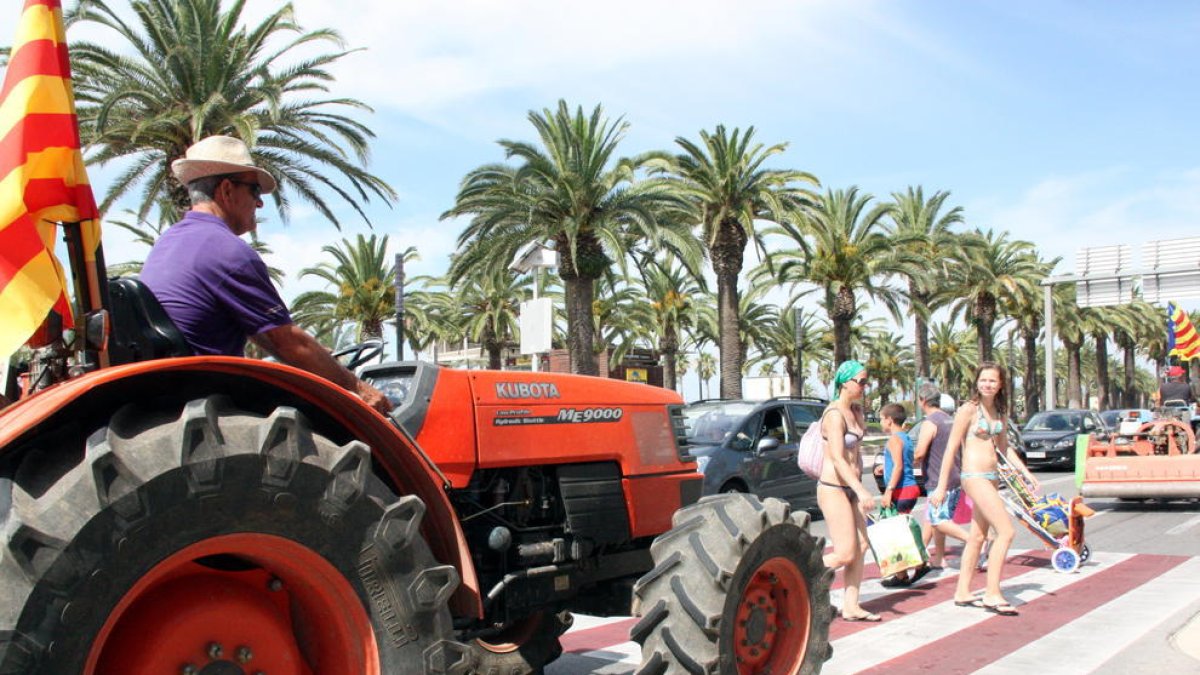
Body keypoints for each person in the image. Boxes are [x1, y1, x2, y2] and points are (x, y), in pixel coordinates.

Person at [141, 136, 392, 414]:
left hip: (173, 389)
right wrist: (358, 388)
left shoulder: (169, 242)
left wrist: (324, 361)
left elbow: (266, 334)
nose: (259, 204)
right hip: (207, 395)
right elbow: (287, 341)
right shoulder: (225, 250)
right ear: (226, 189)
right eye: (254, 191)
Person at [929, 362, 1036, 617]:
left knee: (977, 536)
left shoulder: (999, 411)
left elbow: (1004, 448)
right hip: (974, 476)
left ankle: (963, 591)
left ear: (1001, 385)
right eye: (983, 380)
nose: (987, 384)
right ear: (976, 382)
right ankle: (992, 593)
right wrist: (941, 487)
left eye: (993, 381)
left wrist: (1025, 472)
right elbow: (951, 449)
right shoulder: (969, 410)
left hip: (991, 477)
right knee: (1006, 532)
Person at [816, 360, 879, 622]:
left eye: (866, 382)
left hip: (851, 488)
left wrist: (861, 485)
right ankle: (802, 572)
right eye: (861, 381)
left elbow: (856, 456)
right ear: (844, 382)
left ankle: (851, 606)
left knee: (862, 545)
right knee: (844, 552)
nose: (865, 386)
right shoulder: (834, 415)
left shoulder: (855, 412)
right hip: (833, 487)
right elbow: (839, 459)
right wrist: (862, 490)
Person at [913, 384, 971, 570]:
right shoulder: (949, 420)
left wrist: (906, 462)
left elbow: (920, 451)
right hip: (955, 476)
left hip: (938, 478)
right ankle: (938, 557)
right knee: (935, 519)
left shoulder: (930, 422)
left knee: (938, 520)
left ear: (922, 400)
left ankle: (974, 541)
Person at [878, 402, 930, 587]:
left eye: (882, 419)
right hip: (910, 488)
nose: (881, 422)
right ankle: (904, 573)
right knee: (899, 531)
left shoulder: (894, 440)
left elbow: (899, 466)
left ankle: (910, 570)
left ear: (889, 420)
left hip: (901, 490)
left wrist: (888, 491)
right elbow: (902, 462)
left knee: (893, 533)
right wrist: (883, 468)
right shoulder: (905, 438)